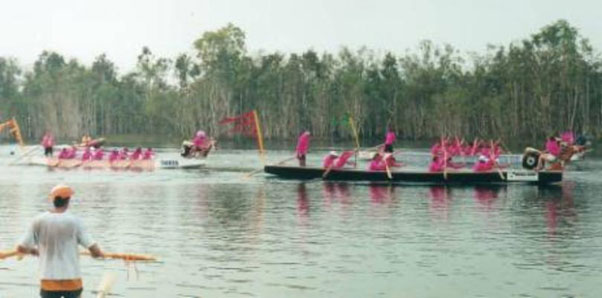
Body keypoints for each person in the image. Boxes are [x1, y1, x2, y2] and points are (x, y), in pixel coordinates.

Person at [16, 184, 104, 298]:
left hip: (48, 279)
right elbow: (95, 250)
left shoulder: (38, 221)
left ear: (53, 201)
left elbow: (21, 248)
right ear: (68, 201)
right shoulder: (75, 221)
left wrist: (34, 251)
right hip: (72, 279)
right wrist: (98, 254)